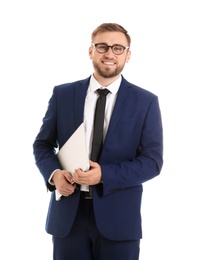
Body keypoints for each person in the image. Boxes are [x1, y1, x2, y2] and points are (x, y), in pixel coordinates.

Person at [33, 22, 163, 260]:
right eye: (102, 46)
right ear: (90, 51)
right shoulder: (63, 94)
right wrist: (54, 174)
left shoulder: (145, 102)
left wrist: (104, 175)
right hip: (68, 218)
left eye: (117, 48)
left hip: (120, 218)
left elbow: (152, 162)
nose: (109, 54)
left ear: (128, 55)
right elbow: (42, 144)